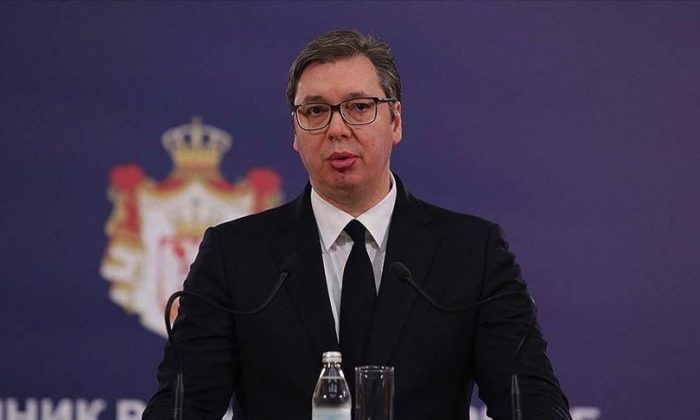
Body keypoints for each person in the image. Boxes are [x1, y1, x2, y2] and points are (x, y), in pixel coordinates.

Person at [143, 29, 570, 420]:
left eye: (359, 107)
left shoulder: (471, 252)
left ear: (395, 121)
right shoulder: (234, 255)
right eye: (315, 111)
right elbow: (183, 406)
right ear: (295, 133)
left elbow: (532, 401)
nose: (337, 129)